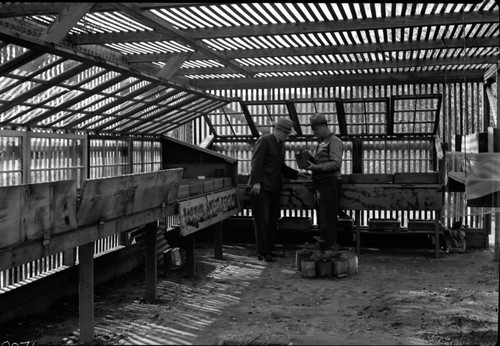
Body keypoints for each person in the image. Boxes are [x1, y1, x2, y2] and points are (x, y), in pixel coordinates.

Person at [250, 118, 307, 262]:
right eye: (286, 134)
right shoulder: (264, 141)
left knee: (272, 220)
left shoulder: (280, 144)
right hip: (262, 188)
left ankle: (270, 249)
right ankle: (262, 252)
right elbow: (256, 163)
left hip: (274, 187)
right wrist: (256, 182)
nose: (287, 136)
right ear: (279, 130)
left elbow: (281, 166)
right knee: (262, 221)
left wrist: (297, 174)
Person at [302, 113, 344, 250]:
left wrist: (316, 167)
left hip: (329, 183)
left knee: (328, 220)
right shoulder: (321, 143)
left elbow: (336, 164)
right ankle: (324, 248)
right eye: (313, 129)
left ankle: (329, 250)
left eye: (316, 129)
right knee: (322, 219)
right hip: (321, 184)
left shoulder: (334, 141)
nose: (314, 132)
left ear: (324, 126)